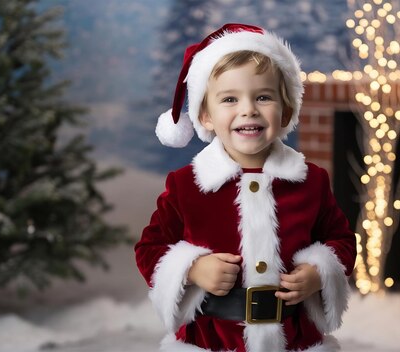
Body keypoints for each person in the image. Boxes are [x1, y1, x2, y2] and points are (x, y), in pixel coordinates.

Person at [135, 23, 356, 352]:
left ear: (286, 112)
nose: (248, 109)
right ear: (205, 116)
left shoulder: (312, 182)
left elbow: (342, 241)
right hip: (213, 340)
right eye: (229, 99)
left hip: (294, 340)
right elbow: (149, 249)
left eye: (263, 97)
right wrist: (193, 269)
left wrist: (318, 273)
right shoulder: (186, 186)